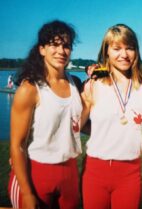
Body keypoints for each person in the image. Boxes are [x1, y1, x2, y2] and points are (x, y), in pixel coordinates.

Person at [8, 20, 82, 209]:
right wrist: (26, 192)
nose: (61, 51)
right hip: (36, 173)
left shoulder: (75, 83)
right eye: (54, 44)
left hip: (69, 174)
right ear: (42, 49)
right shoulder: (30, 89)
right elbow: (17, 146)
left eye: (66, 46)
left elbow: (79, 123)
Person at [81, 24, 142, 209]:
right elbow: (77, 124)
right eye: (117, 48)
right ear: (107, 51)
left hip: (129, 173)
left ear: (136, 51)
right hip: (96, 171)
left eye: (130, 48)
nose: (124, 54)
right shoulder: (93, 85)